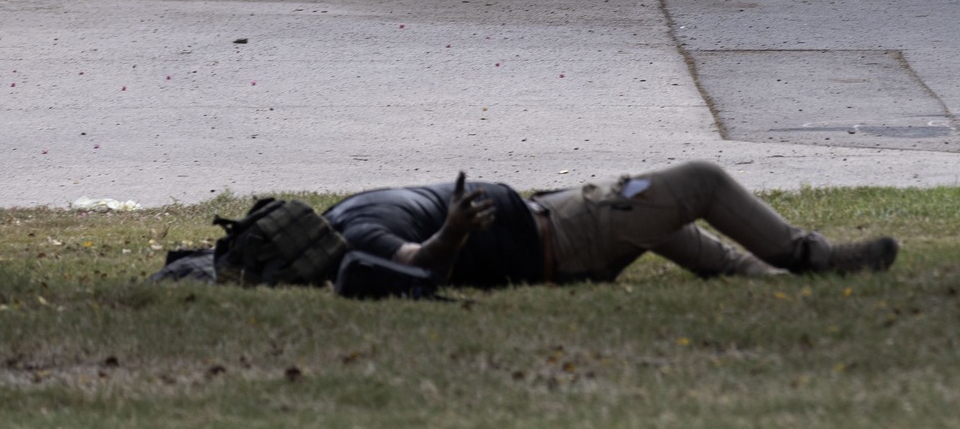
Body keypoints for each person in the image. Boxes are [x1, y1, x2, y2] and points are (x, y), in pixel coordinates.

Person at [324, 162, 898, 288]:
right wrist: (453, 230)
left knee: (656, 214)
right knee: (700, 182)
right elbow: (418, 266)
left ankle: (763, 275)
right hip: (562, 237)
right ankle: (813, 258)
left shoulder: (337, 224)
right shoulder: (358, 241)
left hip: (552, 216)